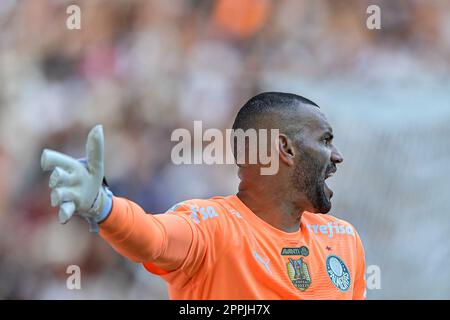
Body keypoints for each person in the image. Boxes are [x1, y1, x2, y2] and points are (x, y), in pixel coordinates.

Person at [41, 92, 366, 299]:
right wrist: (104, 207)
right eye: (325, 141)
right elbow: (153, 238)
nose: (336, 155)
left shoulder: (343, 239)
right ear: (285, 149)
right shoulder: (212, 228)